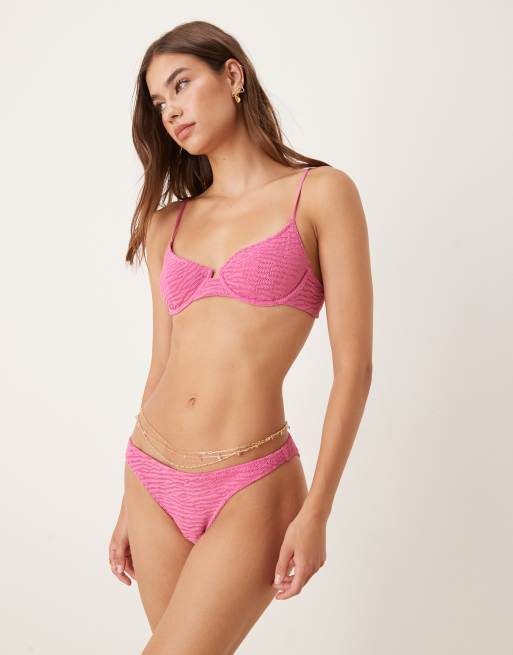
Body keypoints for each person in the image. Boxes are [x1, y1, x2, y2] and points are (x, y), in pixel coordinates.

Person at [109, 20, 373, 655]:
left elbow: (355, 367)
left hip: (250, 485)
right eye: (158, 102)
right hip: (151, 476)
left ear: (232, 75)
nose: (171, 111)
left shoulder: (321, 194)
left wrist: (317, 511)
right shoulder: (168, 223)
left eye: (181, 85)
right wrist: (126, 502)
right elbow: (161, 364)